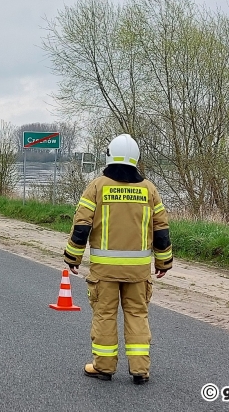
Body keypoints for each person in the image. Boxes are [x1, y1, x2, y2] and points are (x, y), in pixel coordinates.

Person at [63, 134, 172, 385]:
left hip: (105, 271)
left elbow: (81, 226)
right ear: (136, 158)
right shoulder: (149, 189)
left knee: (105, 315)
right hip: (138, 272)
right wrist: (163, 262)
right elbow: (161, 230)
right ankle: (140, 370)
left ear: (109, 155)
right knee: (137, 315)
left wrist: (73, 257)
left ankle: (103, 367)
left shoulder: (97, 186)